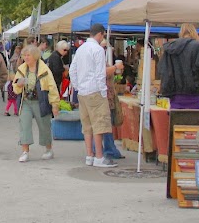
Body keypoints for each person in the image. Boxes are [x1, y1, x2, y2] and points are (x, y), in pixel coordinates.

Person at [68, 23, 121, 168]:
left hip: (83, 92)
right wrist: (103, 91)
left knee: (87, 126)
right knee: (99, 124)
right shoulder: (97, 50)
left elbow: (72, 71)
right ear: (100, 34)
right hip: (95, 91)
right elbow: (100, 73)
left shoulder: (81, 49)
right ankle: (99, 157)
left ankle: (89, 155)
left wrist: (78, 86)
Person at [13, 45, 59, 162]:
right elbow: (15, 86)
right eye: (25, 55)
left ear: (35, 56)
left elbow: (52, 87)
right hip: (26, 101)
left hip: (41, 101)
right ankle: (25, 151)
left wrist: (55, 104)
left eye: (28, 55)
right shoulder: (22, 69)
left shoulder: (44, 69)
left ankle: (48, 149)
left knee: (44, 126)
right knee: (25, 125)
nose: (26, 57)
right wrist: (18, 85)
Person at [159, 23, 199, 109]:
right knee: (193, 121)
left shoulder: (169, 49)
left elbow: (162, 71)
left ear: (181, 33)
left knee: (176, 121)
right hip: (194, 95)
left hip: (175, 96)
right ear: (194, 32)